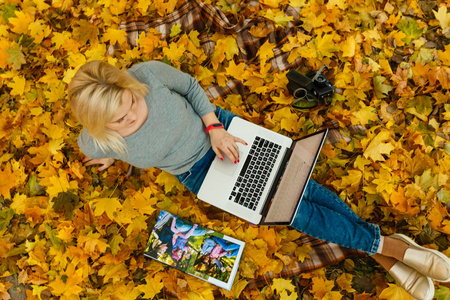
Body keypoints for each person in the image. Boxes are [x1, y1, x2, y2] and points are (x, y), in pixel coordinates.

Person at [68, 60, 450, 300]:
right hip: (198, 174)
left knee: (294, 203)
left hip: (223, 133)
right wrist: (108, 149)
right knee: (297, 200)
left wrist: (215, 127)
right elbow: (97, 141)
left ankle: (393, 253)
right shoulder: (97, 137)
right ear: (101, 125)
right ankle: (389, 249)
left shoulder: (148, 75)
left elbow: (190, 89)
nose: (133, 115)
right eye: (118, 119)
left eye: (132, 101)